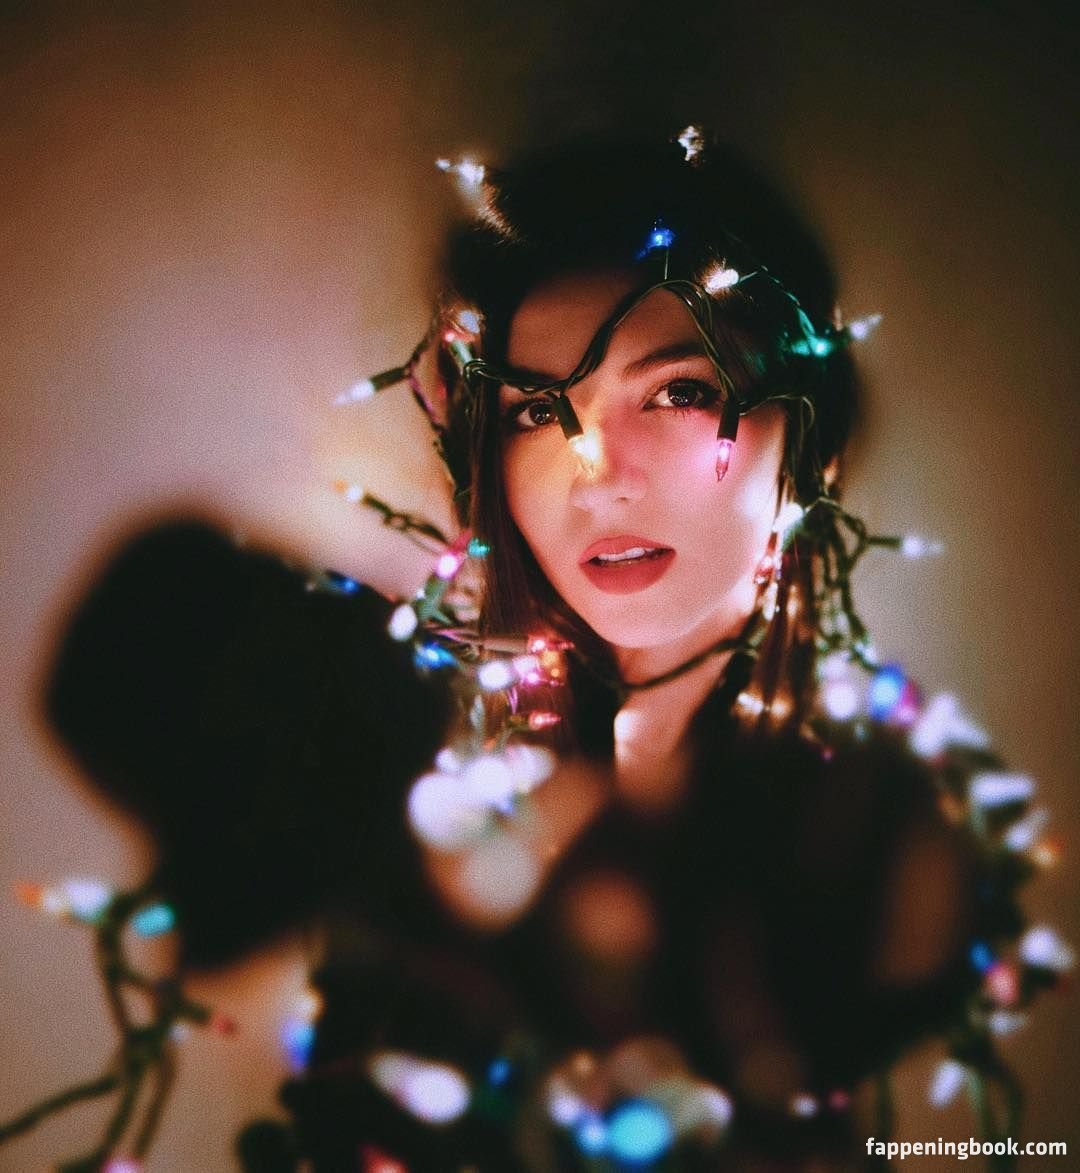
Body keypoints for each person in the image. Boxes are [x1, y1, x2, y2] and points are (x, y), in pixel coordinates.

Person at [36, 133, 1044, 1172]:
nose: (596, 472)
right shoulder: (428, 758)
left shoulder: (860, 812)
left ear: (808, 430)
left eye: (678, 391)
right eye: (536, 410)